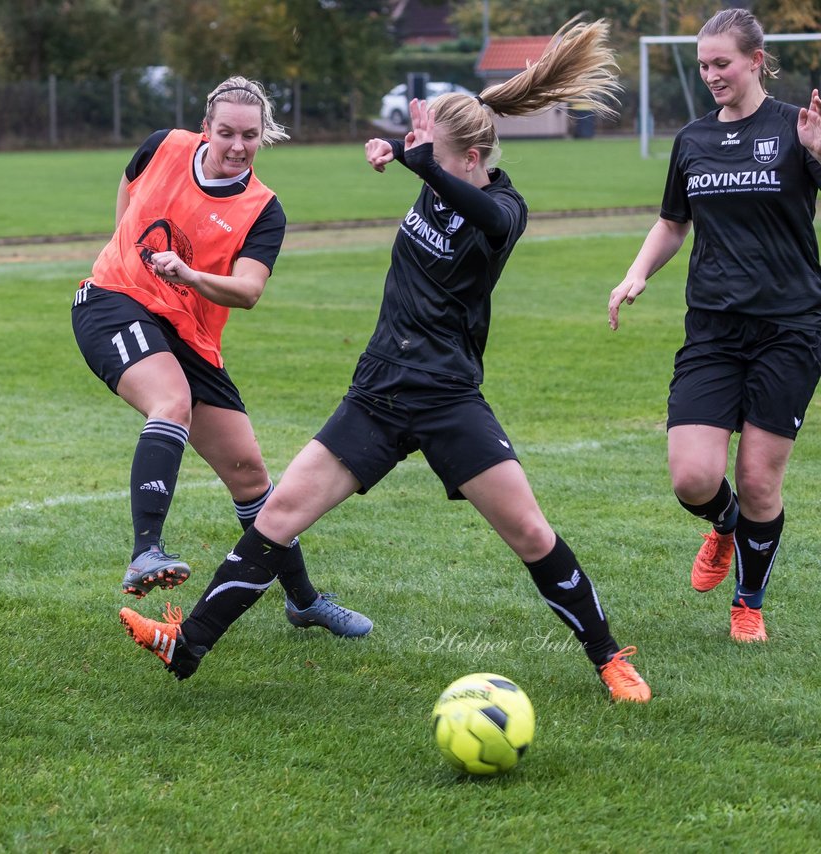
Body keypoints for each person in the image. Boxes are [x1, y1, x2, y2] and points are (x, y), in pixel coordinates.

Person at [119, 19, 652, 703]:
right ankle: (184, 646)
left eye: (441, 156)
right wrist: (411, 148)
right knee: (277, 519)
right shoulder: (439, 172)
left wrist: (419, 158)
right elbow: (437, 166)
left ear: (471, 158)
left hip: (447, 396)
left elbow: (481, 215)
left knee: (527, 530)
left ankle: (608, 657)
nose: (430, 163)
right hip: (377, 390)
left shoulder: (505, 209)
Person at [71, 76, 372, 638]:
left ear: (263, 137)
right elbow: (130, 180)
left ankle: (303, 602)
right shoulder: (164, 144)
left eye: (250, 136)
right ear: (205, 127)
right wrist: (121, 248)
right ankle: (145, 552)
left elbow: (249, 290)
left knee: (250, 475)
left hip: (190, 335)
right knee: (171, 401)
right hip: (112, 302)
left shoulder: (263, 210)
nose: (237, 145)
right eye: (227, 132)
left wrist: (186, 274)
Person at [608, 9, 821, 644]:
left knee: (760, 480)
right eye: (703, 66)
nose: (711, 76)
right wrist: (637, 273)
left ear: (756, 60)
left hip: (791, 327)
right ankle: (723, 524)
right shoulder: (693, 139)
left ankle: (748, 603)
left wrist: (816, 153)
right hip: (713, 330)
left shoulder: (794, 126)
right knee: (693, 478)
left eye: (721, 63)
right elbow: (674, 221)